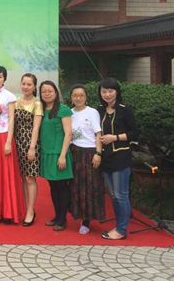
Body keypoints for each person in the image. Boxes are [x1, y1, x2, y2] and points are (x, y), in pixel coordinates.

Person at [97, 77, 140, 240]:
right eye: (104, 91)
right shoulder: (99, 110)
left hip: (121, 157)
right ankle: (118, 226)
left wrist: (114, 137)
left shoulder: (124, 110)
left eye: (110, 91)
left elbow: (135, 133)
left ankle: (121, 230)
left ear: (117, 92)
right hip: (105, 158)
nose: (107, 94)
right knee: (113, 195)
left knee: (121, 195)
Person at [0, 65, 25, 224]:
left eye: (0, 76)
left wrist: (8, 141)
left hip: (3, 137)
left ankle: (8, 212)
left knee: (5, 174)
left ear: (4, 79)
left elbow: (11, 120)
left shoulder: (9, 96)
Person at [69, 84, 105, 234]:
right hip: (74, 152)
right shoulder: (69, 113)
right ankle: (78, 214)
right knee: (76, 186)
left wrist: (98, 153)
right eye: (75, 95)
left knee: (89, 186)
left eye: (81, 95)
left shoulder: (92, 112)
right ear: (71, 97)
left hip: (90, 152)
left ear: (86, 97)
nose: (78, 98)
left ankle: (87, 220)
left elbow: (98, 134)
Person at [39, 80, 73, 232]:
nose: (47, 94)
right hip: (46, 152)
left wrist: (63, 155)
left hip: (59, 153)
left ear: (56, 92)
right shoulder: (41, 109)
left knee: (62, 186)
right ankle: (57, 215)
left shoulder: (63, 109)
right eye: (44, 91)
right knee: (52, 186)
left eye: (50, 91)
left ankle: (63, 219)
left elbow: (68, 133)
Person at [13, 73, 43, 226]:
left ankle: (30, 211)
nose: (26, 87)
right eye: (23, 84)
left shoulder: (37, 104)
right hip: (16, 144)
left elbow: (36, 128)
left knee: (30, 178)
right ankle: (25, 208)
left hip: (31, 144)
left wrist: (32, 148)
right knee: (22, 178)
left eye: (29, 84)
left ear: (34, 86)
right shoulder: (15, 102)